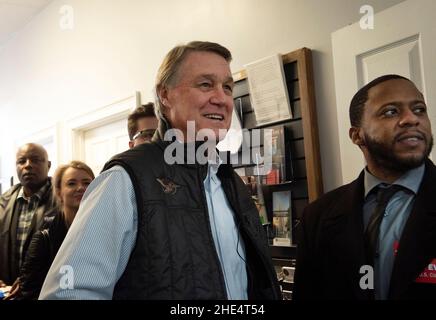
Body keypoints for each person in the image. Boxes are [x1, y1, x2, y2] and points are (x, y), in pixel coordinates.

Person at [40, 41, 281, 300]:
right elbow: (67, 292)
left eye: (227, 87)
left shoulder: (230, 182)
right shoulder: (124, 179)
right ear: (165, 95)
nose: (221, 99)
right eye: (205, 84)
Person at [294, 74, 436, 300]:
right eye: (391, 111)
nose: (411, 119)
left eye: (419, 109)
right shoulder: (317, 216)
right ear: (357, 135)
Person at [5, 161, 95, 300]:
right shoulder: (44, 237)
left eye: (87, 183)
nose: (80, 188)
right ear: (59, 192)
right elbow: (29, 292)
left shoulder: (105, 230)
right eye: (71, 183)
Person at [0, 143, 57, 286]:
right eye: (21, 161)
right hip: (8, 290)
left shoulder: (61, 200)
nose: (27, 165)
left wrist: (29, 280)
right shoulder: (3, 201)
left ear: (48, 165)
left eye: (35, 160)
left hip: (44, 289)